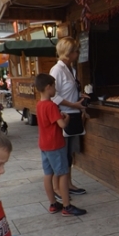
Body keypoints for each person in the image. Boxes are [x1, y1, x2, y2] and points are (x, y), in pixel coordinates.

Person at [35, 73, 86, 217]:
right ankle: (66, 206)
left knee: (48, 174)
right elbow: (62, 125)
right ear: (48, 87)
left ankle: (53, 203)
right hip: (55, 145)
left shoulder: (39, 105)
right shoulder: (51, 105)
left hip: (44, 145)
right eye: (54, 87)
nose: (55, 90)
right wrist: (67, 118)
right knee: (63, 174)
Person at [49, 37, 89, 200]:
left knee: (70, 153)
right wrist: (74, 104)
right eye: (75, 51)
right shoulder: (57, 70)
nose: (78, 54)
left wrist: (79, 96)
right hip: (64, 115)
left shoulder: (70, 69)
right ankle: (57, 187)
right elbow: (53, 96)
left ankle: (68, 184)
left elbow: (67, 91)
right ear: (68, 52)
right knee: (62, 153)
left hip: (73, 114)